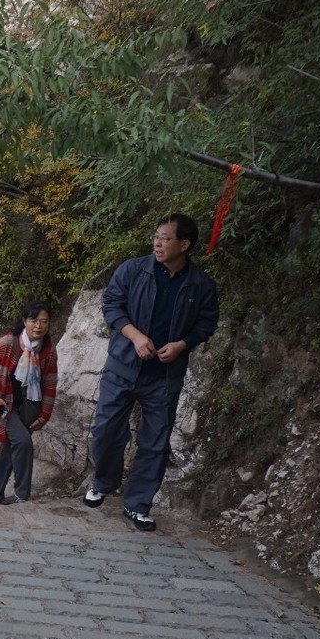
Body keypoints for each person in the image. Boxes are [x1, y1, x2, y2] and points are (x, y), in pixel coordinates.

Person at [85, 213, 219, 531]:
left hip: (164, 376)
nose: (157, 244)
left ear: (184, 245)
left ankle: (138, 505)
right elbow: (112, 305)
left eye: (165, 238)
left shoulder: (200, 285)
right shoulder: (133, 270)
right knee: (105, 430)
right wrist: (135, 337)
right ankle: (104, 482)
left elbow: (206, 323)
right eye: (156, 236)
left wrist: (182, 345)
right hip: (122, 367)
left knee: (155, 442)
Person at [0, 302, 59, 505]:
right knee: (23, 441)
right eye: (33, 321)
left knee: (12, 443)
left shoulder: (49, 351)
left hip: (30, 406)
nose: (38, 326)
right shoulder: (7, 343)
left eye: (44, 321)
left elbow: (50, 384)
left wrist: (44, 415)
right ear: (24, 321)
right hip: (3, 404)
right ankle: (22, 495)